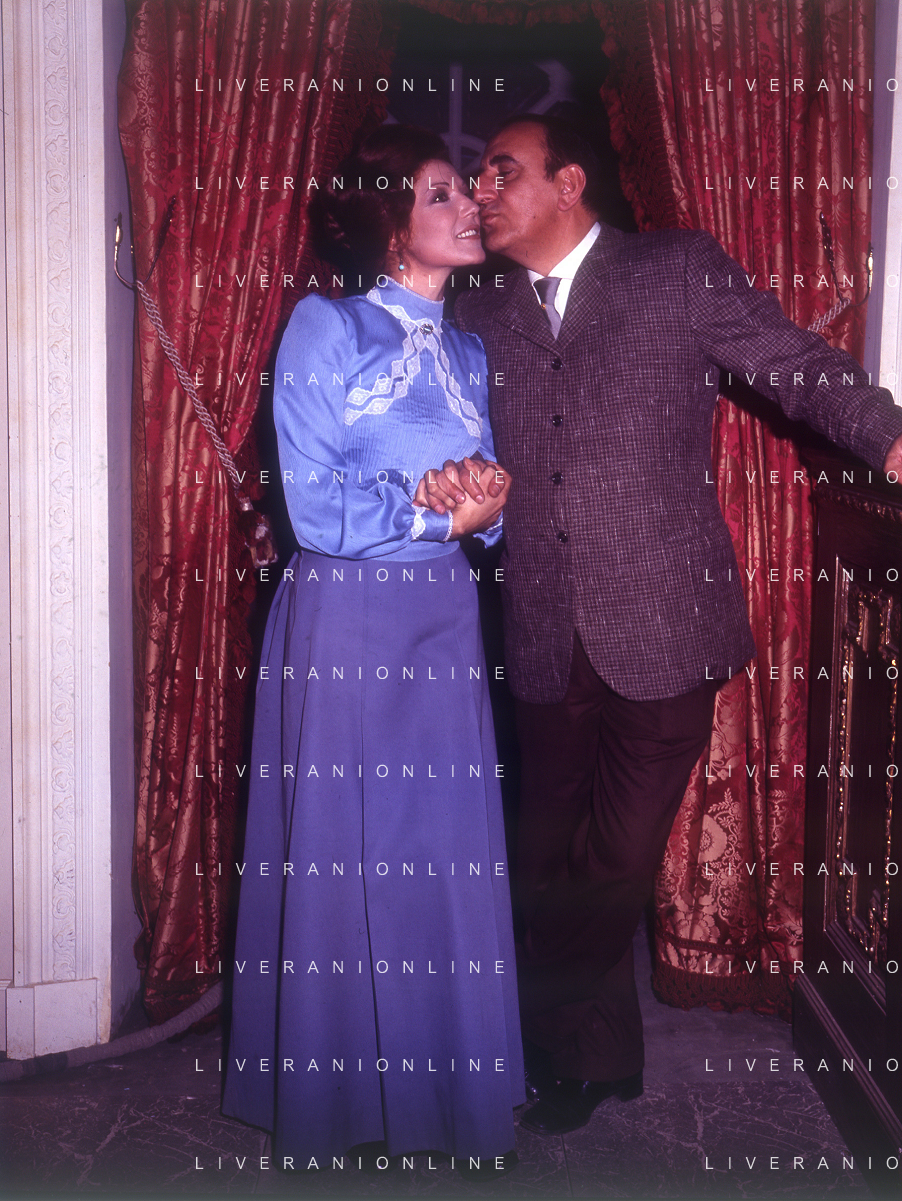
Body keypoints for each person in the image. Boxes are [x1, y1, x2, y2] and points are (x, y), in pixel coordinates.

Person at [416, 113, 902, 1136]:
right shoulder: (479, 307)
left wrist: (887, 431)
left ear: (569, 182)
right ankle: (594, 1062)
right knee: (547, 852)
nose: (481, 193)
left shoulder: (673, 270)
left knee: (614, 858)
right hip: (538, 624)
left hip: (666, 618)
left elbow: (790, 360)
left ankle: (496, 1006)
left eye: (501, 172)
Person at [222, 125, 523, 1171]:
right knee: (346, 854)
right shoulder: (327, 325)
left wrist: (484, 501)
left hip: (443, 617)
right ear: (391, 222)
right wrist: (434, 511)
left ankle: (447, 1094)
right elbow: (312, 508)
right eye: (442, 194)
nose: (470, 205)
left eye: (467, 191)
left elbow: (488, 515)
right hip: (346, 619)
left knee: (438, 848)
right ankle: (340, 1099)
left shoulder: (472, 350)